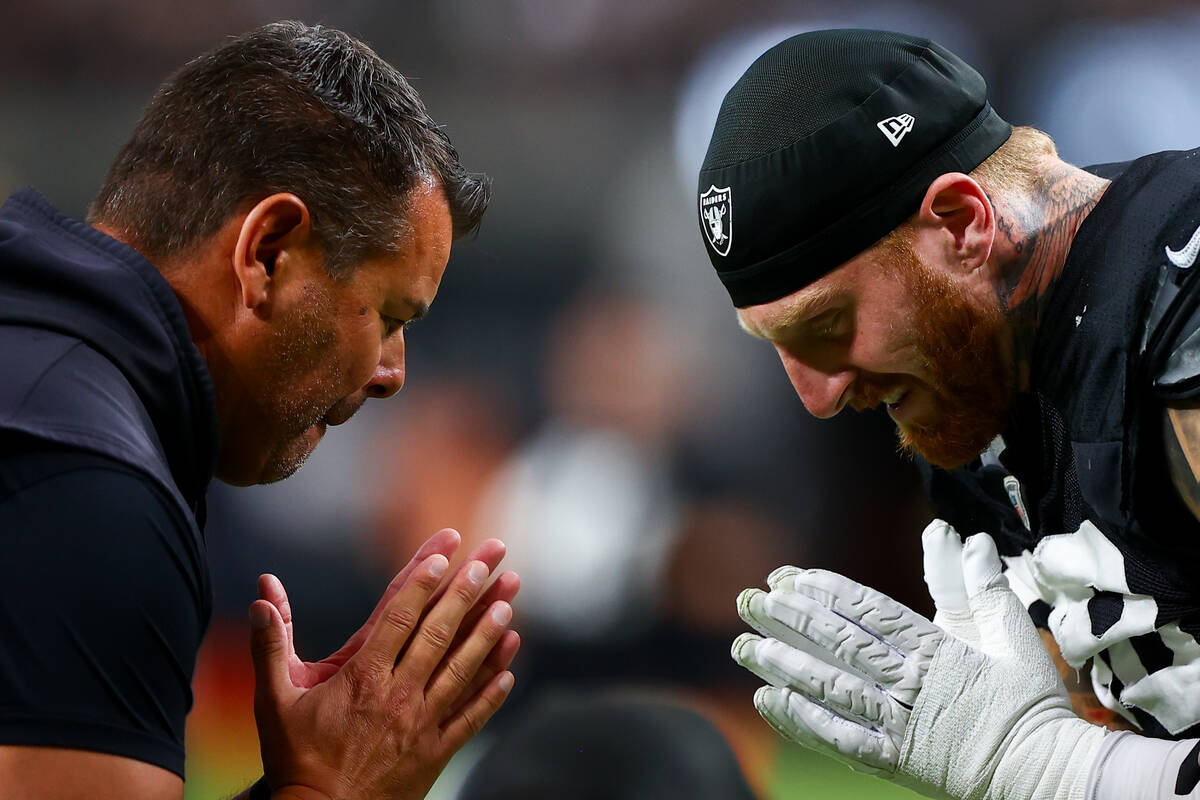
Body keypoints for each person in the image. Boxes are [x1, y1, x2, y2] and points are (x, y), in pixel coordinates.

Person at [0, 21, 521, 800]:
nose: (391, 374)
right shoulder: (91, 495)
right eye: (386, 315)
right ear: (268, 250)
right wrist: (334, 788)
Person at [696, 29, 1200, 800]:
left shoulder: (1180, 302)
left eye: (825, 326)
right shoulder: (973, 400)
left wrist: (1055, 771)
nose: (817, 397)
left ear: (963, 223)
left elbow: (1074, 765)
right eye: (775, 346)